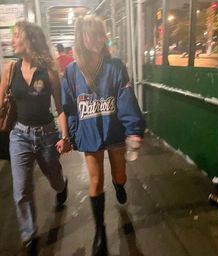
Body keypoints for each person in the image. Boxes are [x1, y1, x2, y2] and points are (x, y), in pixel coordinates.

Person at [61, 14, 145, 256]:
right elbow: (68, 108)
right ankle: (100, 230)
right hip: (90, 134)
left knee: (119, 174)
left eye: (101, 33)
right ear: (81, 37)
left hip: (115, 131)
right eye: (93, 34)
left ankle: (119, 186)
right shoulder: (71, 71)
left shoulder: (115, 67)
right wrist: (72, 135)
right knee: (96, 181)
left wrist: (133, 130)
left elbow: (126, 100)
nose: (100, 38)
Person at [0, 21, 71, 256]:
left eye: (16, 36)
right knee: (21, 190)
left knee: (54, 178)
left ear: (29, 40)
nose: (12, 40)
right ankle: (29, 236)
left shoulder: (49, 73)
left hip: (47, 135)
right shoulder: (9, 70)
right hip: (19, 135)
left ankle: (62, 187)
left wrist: (65, 136)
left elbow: (60, 108)